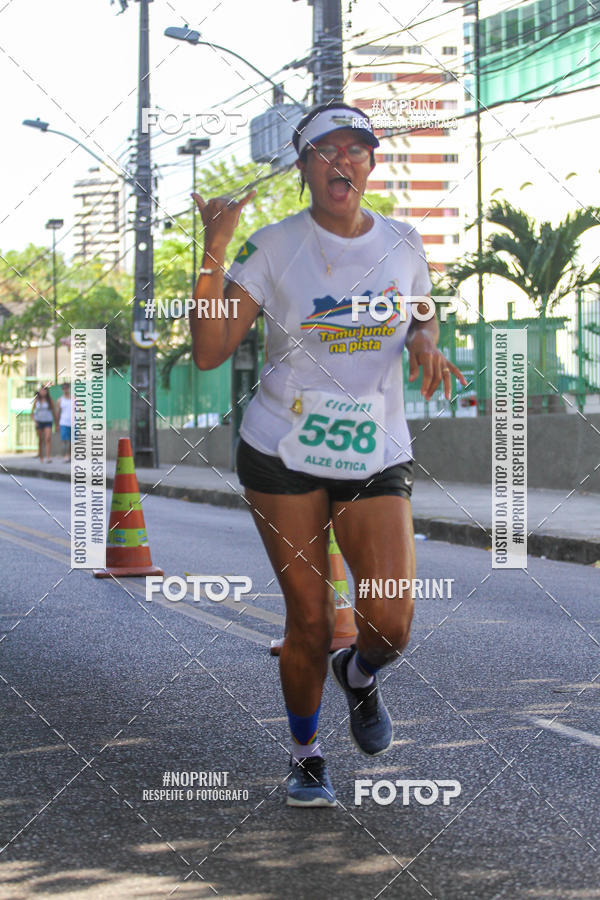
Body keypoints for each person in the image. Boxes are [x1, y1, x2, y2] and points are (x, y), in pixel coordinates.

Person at [190, 103, 465, 807]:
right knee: (310, 620)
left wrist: (425, 341)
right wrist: (214, 249)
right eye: (325, 150)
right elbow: (211, 351)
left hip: (374, 448)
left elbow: (422, 308)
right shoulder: (272, 246)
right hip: (282, 449)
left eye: (355, 150)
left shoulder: (403, 241)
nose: (342, 160)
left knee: (390, 625)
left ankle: (359, 673)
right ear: (304, 167)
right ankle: (307, 754)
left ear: (371, 164)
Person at [32, 385, 55, 463]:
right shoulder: (36, 400)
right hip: (39, 422)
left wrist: (56, 423)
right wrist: (35, 421)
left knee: (48, 438)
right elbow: (32, 413)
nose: (43, 392)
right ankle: (41, 456)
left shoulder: (50, 400)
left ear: (47, 392)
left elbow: (53, 411)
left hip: (48, 421)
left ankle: (48, 457)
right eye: (41, 390)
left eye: (44, 390)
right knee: (40, 439)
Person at [55, 382, 72, 462]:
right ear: (62, 389)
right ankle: (66, 454)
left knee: (71, 440)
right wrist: (57, 424)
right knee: (65, 440)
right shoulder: (60, 400)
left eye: (66, 388)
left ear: (69, 388)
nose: (65, 390)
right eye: (64, 388)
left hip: (73, 423)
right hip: (63, 422)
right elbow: (57, 412)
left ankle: (68, 455)